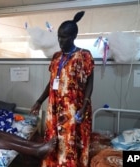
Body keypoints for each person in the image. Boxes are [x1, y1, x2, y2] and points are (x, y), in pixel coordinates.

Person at [30, 11, 94, 167]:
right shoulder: (56, 57)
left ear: (73, 37)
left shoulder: (84, 56)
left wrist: (84, 106)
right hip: (54, 110)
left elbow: (90, 83)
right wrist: (39, 101)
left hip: (74, 109)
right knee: (53, 142)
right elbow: (52, 82)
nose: (60, 40)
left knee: (70, 144)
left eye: (64, 37)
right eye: (58, 36)